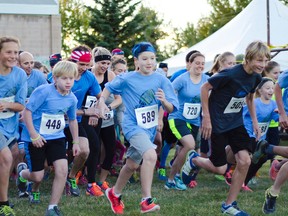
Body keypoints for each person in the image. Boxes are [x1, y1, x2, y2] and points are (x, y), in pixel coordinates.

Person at [182, 41, 270, 215]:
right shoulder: (230, 74)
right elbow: (204, 87)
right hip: (217, 123)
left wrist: (253, 120)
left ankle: (229, 205)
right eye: (259, 60)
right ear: (248, 58)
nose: (263, 64)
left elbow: (250, 97)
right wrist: (206, 117)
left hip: (235, 123)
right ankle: (194, 160)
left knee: (244, 160)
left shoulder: (257, 77)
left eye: (265, 60)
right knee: (220, 169)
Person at [99, 42, 178, 214]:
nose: (149, 62)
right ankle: (146, 200)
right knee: (150, 155)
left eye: (152, 58)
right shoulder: (127, 78)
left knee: (132, 165)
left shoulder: (161, 79)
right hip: (132, 126)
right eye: (144, 59)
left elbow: (172, 108)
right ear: (136, 60)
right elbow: (107, 88)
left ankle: (114, 192)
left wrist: (164, 101)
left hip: (148, 129)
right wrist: (101, 103)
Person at [17, 60, 80, 216]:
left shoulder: (72, 98)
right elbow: (27, 112)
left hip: (57, 137)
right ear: (55, 78)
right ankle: (22, 174)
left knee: (62, 170)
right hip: (36, 137)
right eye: (64, 78)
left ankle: (52, 207)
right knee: (37, 176)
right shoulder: (43, 91)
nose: (68, 82)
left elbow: (72, 120)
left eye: (71, 78)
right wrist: (33, 135)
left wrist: (76, 141)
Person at [164, 52, 208, 190]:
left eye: (202, 63)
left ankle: (173, 178)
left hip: (194, 120)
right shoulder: (182, 79)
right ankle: (173, 178)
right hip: (177, 117)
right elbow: (168, 92)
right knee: (189, 144)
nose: (200, 66)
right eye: (197, 63)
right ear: (190, 63)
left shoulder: (206, 79)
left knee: (185, 149)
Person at [64, 45, 102, 197]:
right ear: (73, 61)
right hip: (56, 121)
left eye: (88, 65)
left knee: (85, 150)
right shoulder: (61, 75)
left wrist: (98, 110)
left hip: (75, 121)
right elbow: (62, 108)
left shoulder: (89, 77)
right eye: (81, 64)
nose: (85, 68)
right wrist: (87, 111)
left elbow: (101, 97)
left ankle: (71, 177)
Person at [0, 36, 27, 216]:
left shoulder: (20, 75)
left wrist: (5, 104)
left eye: (16, 52)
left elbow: (21, 105)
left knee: (12, 156)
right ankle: (3, 203)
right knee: (7, 158)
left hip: (9, 125)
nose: (13, 56)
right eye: (9, 52)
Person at [91, 46, 122, 191]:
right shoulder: (88, 74)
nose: (105, 66)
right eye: (102, 63)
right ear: (95, 62)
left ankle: (102, 180)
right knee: (94, 149)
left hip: (106, 118)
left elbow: (118, 99)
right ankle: (86, 175)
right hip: (91, 117)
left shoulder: (111, 76)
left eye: (107, 63)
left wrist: (108, 108)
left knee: (110, 148)